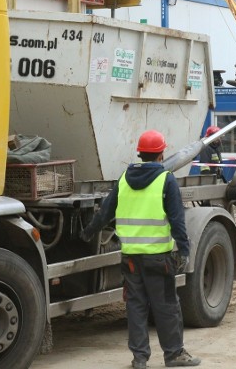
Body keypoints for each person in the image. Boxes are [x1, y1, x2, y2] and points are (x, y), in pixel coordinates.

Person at [81, 130, 201, 369]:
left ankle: (139, 358)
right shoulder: (165, 180)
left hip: (131, 257)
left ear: (140, 153)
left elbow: (105, 213)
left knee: (136, 306)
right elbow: (177, 221)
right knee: (166, 305)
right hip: (158, 257)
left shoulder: (124, 178)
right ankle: (174, 354)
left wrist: (88, 232)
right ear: (161, 154)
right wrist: (185, 251)